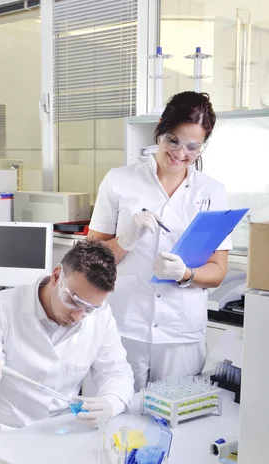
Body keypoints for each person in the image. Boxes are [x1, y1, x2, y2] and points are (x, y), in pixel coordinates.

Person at [0, 239, 134, 464]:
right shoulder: (0, 308)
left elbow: (117, 372)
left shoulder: (100, 317)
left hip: (56, 441)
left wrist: (111, 402)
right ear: (56, 275)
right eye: (73, 301)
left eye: (90, 308)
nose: (78, 316)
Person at [88, 91, 231, 391]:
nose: (180, 153)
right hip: (126, 326)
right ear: (160, 131)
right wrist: (126, 239)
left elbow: (218, 270)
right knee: (117, 415)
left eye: (193, 147)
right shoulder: (118, 180)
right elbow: (91, 261)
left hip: (181, 335)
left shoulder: (211, 192)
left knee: (175, 421)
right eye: (173, 141)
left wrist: (186, 275)